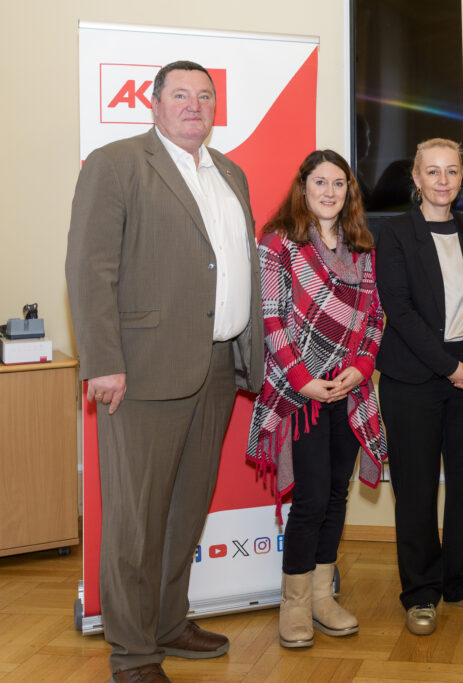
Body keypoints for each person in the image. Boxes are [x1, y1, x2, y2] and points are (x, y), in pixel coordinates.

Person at [65, 60, 263, 682]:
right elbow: (88, 270)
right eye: (180, 94)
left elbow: (235, 267)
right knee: (135, 519)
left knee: (185, 510)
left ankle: (169, 622)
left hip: (216, 365)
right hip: (142, 372)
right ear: (153, 103)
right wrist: (103, 362)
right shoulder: (117, 163)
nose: (194, 105)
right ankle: (132, 652)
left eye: (205, 96)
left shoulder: (229, 172)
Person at [246, 150, 387, 649]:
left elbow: (374, 319)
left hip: (349, 391)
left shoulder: (362, 246)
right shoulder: (279, 241)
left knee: (335, 495)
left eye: (339, 184)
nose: (329, 192)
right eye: (320, 182)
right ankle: (296, 605)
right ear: (302, 186)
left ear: (349, 191)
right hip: (300, 391)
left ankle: (324, 597)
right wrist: (304, 379)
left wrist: (361, 369)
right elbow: (273, 318)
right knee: (308, 501)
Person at [375, 138, 463, 636]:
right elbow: (399, 311)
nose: (443, 180)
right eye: (433, 172)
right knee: (417, 488)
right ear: (416, 178)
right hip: (413, 381)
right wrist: (449, 366)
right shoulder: (396, 233)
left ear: (461, 178)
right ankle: (421, 592)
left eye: (452, 171)